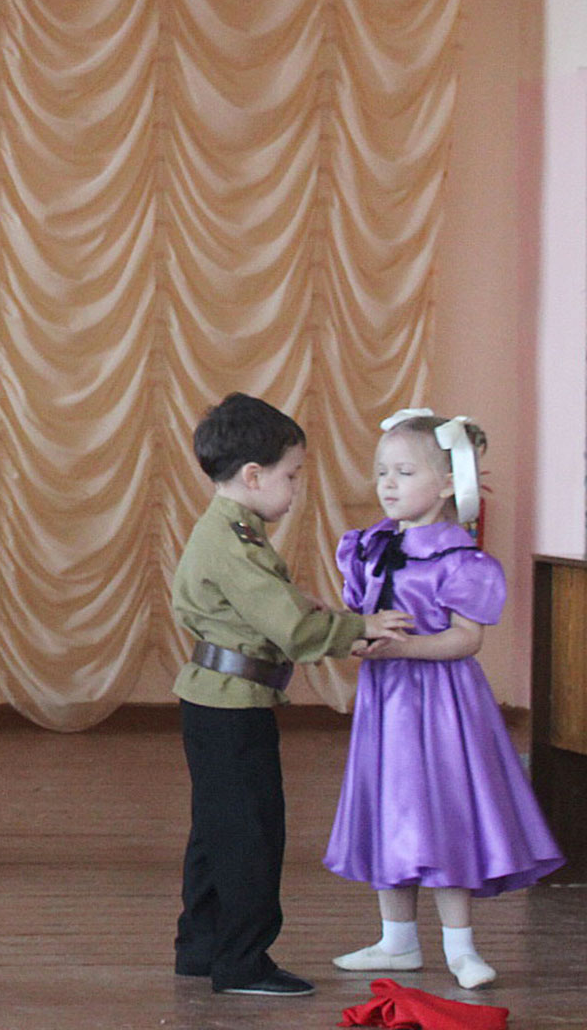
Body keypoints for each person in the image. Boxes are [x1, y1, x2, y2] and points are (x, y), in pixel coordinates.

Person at [169, 393, 413, 998]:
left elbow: (276, 605)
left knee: (218, 833)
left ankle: (203, 947)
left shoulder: (234, 532)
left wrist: (321, 615)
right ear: (253, 476)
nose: (296, 489)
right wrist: (360, 627)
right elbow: (294, 629)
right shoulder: (233, 542)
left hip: (220, 700)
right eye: (292, 476)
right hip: (231, 707)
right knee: (250, 836)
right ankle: (243, 963)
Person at [325, 410, 564, 990]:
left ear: (447, 484)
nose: (387, 483)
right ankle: (397, 941)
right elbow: (360, 616)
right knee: (389, 808)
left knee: (444, 814)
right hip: (387, 705)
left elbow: (466, 638)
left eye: (404, 472)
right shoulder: (368, 548)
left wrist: (403, 648)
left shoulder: (460, 559)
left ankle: (461, 947)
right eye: (383, 471)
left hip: (441, 706)